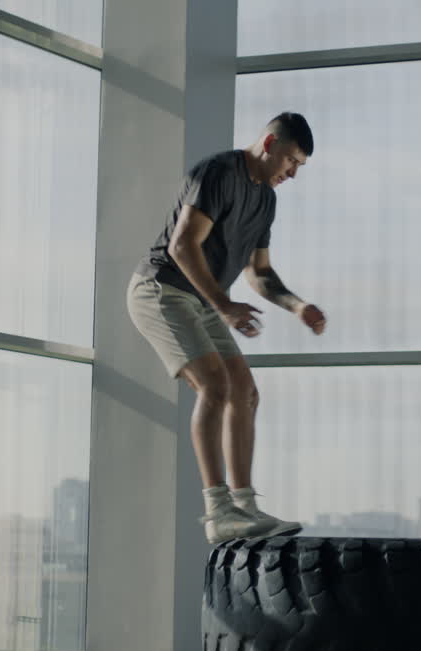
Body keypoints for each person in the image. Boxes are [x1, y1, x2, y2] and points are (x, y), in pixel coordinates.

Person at [126, 112, 326, 544]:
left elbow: (260, 275)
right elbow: (182, 246)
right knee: (215, 386)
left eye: (299, 167)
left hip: (204, 300)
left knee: (245, 392)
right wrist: (224, 305)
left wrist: (297, 305)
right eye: (291, 161)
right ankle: (218, 512)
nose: (292, 174)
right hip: (160, 289)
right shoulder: (218, 172)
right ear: (270, 144)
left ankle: (244, 508)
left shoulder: (266, 201)